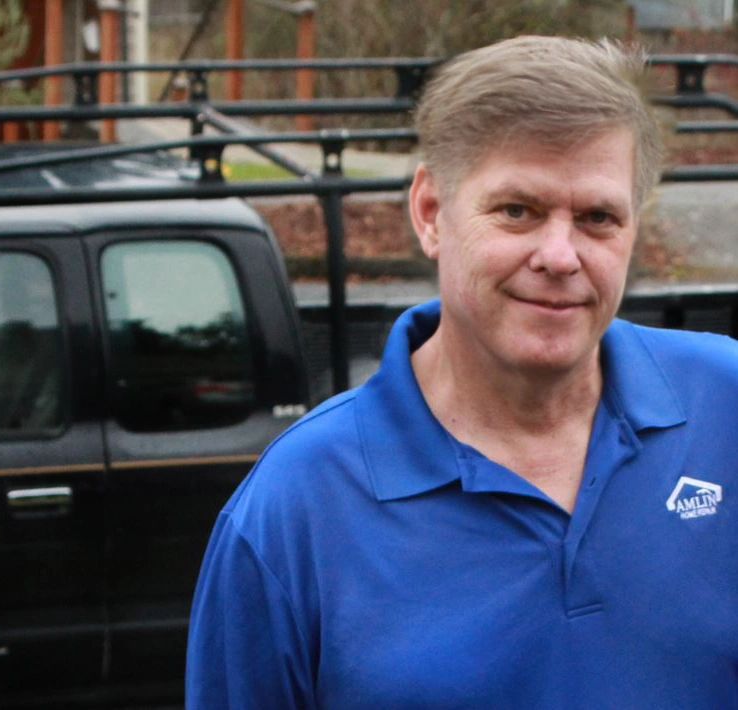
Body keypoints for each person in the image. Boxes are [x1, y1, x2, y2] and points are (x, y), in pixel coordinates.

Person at [186, 35, 738, 709]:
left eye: (597, 218)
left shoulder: (725, 409)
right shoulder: (296, 507)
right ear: (430, 212)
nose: (560, 255)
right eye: (517, 211)